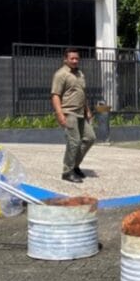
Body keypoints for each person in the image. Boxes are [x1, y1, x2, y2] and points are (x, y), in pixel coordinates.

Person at [50, 48, 95, 183]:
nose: (75, 61)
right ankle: (67, 171)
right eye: (72, 58)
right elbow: (55, 95)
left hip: (81, 112)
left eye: (77, 58)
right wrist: (60, 114)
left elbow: (82, 93)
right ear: (66, 59)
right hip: (68, 112)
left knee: (90, 138)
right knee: (74, 141)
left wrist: (87, 110)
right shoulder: (61, 74)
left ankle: (74, 166)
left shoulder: (80, 74)